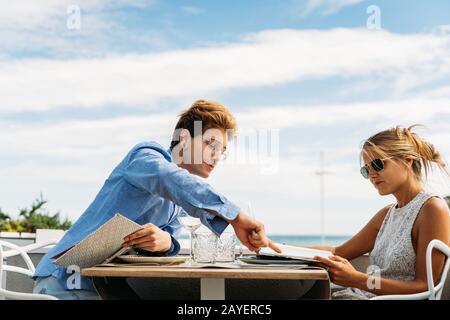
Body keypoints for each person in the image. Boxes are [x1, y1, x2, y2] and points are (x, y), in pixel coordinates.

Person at [33, 99, 280, 299]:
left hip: (102, 288)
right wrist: (236, 216)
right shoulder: (145, 157)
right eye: (210, 144)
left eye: (222, 151)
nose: (216, 156)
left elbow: (169, 242)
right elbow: (170, 179)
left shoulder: (179, 201)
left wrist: (165, 244)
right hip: (64, 283)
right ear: (184, 138)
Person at [311, 125, 450, 299]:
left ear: (407, 160)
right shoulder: (386, 214)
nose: (372, 175)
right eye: (366, 170)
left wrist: (358, 280)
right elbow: (337, 252)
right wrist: (276, 248)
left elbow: (425, 286)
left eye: (378, 164)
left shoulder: (432, 208)